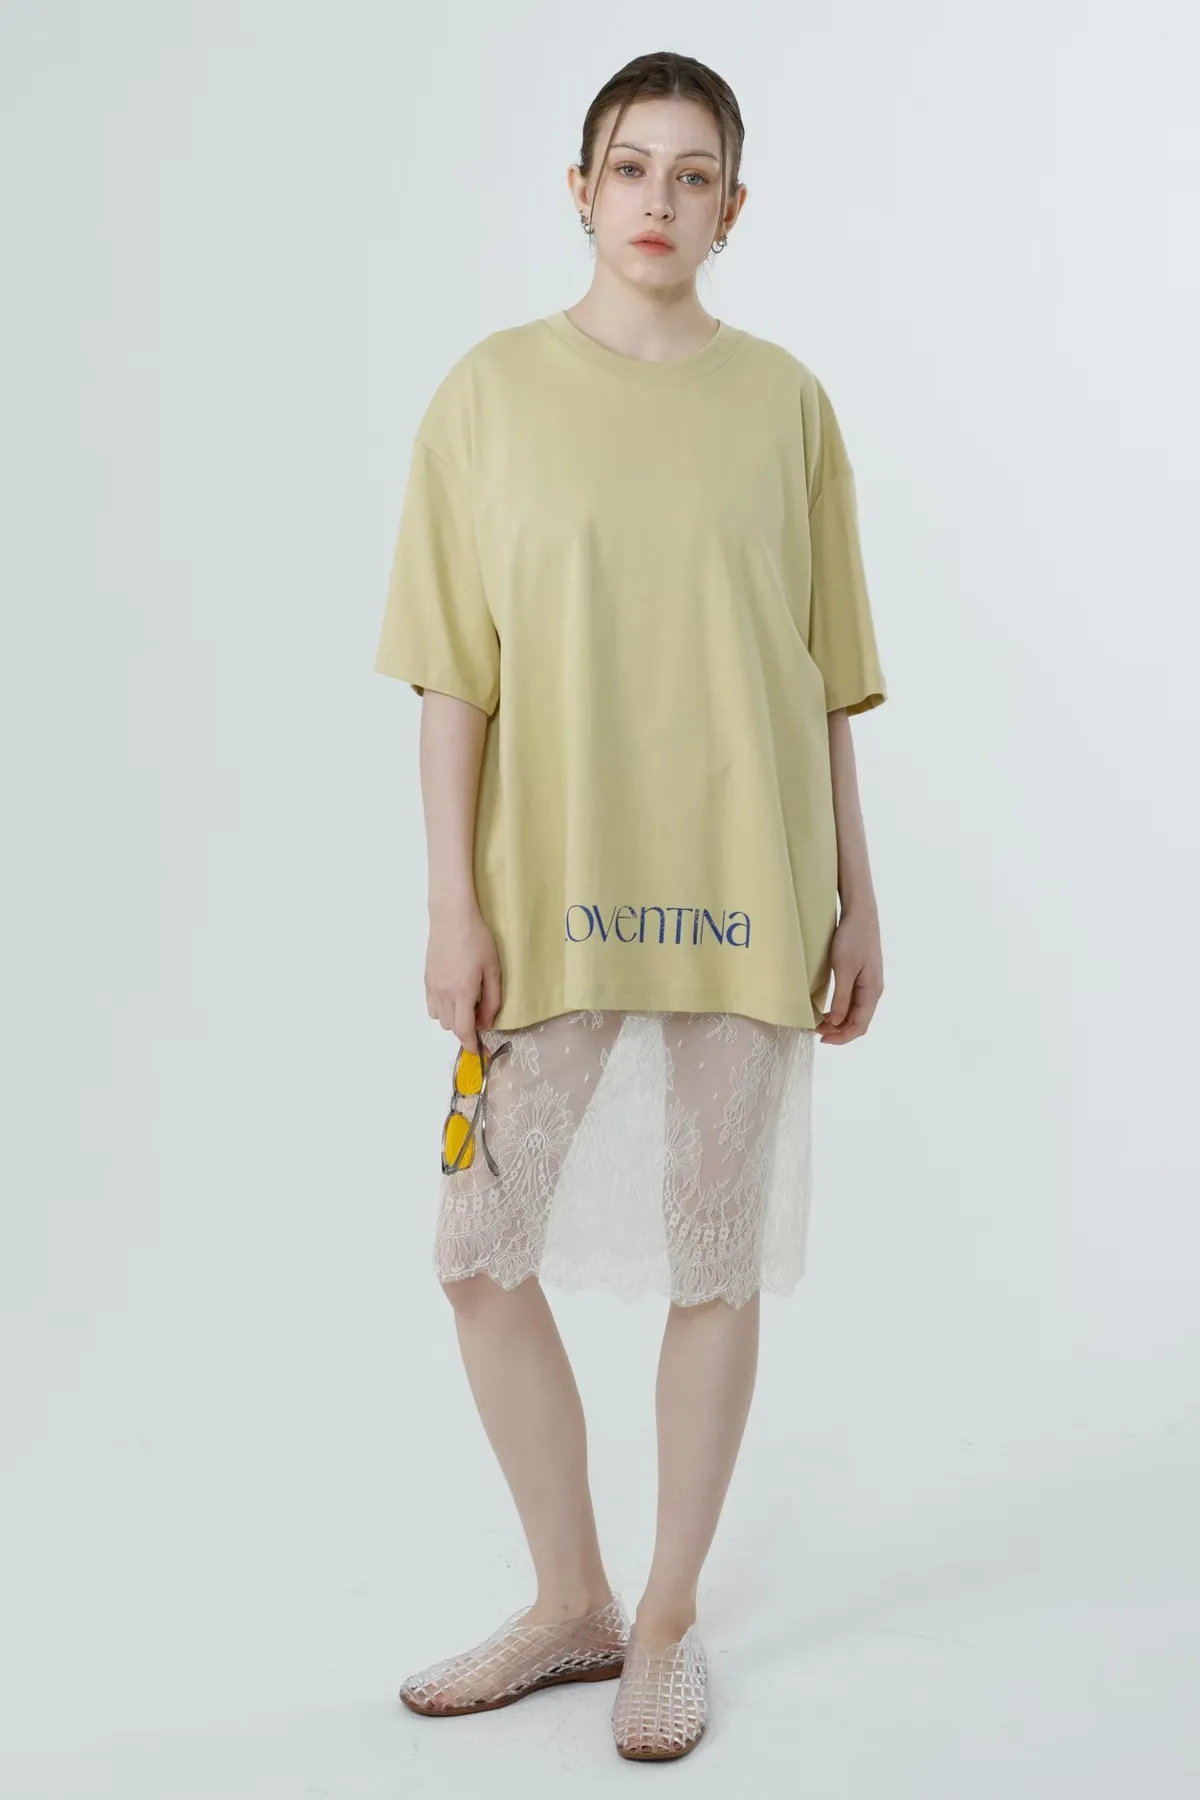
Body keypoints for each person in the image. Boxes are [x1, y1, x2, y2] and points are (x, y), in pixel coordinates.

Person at [374, 49, 888, 1762]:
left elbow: (826, 679)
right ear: (580, 189)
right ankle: (570, 1598)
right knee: (476, 1251)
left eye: (692, 174)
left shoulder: (788, 407)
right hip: (551, 889)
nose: (658, 200)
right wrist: (450, 904)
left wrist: (858, 897)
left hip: (751, 884)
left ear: (733, 207)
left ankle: (665, 1618)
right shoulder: (488, 398)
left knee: (713, 1250)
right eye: (630, 167)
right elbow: (451, 679)